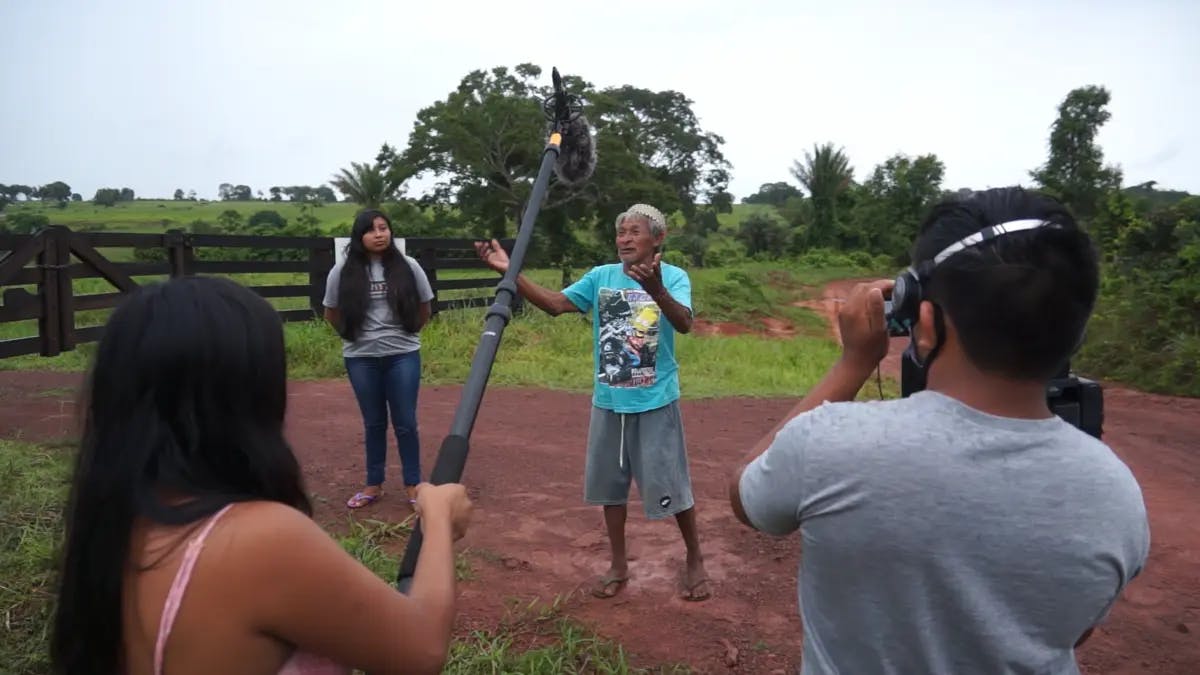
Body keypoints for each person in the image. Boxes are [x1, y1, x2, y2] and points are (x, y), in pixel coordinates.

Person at [728, 186, 1150, 674]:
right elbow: (1073, 631)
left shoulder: (829, 443)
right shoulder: (1118, 495)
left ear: (924, 319)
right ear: (1076, 330)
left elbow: (746, 496)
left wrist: (853, 363)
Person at [49, 275, 473, 675]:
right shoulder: (258, 539)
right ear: (244, 392)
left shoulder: (112, 525)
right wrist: (438, 520)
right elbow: (422, 649)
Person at [475, 203, 711, 602]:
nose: (625, 239)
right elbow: (555, 304)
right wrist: (509, 271)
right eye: (621, 232)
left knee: (672, 485)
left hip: (655, 400)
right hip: (609, 401)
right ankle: (618, 564)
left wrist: (656, 290)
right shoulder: (601, 277)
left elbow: (685, 324)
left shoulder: (674, 277)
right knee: (610, 488)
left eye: (635, 232)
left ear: (658, 238)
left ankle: (694, 557)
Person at [323, 209, 435, 509]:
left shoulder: (409, 266)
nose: (379, 234)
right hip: (361, 358)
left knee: (406, 422)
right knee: (373, 423)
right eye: (371, 230)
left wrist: (408, 333)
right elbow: (331, 312)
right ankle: (373, 485)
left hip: (403, 356)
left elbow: (425, 306)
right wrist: (352, 337)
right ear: (359, 236)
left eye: (383, 228)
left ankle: (413, 486)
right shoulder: (342, 271)